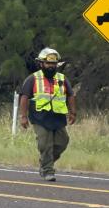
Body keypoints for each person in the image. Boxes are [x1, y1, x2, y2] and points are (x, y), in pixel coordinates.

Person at [18, 47, 77, 182]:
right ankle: (47, 171)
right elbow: (24, 97)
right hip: (40, 118)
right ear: (41, 63)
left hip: (58, 118)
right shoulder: (33, 79)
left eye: (54, 64)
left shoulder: (62, 79)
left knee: (62, 143)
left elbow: (71, 95)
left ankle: (45, 162)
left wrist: (73, 112)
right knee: (45, 145)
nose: (51, 66)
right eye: (48, 63)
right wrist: (23, 116)